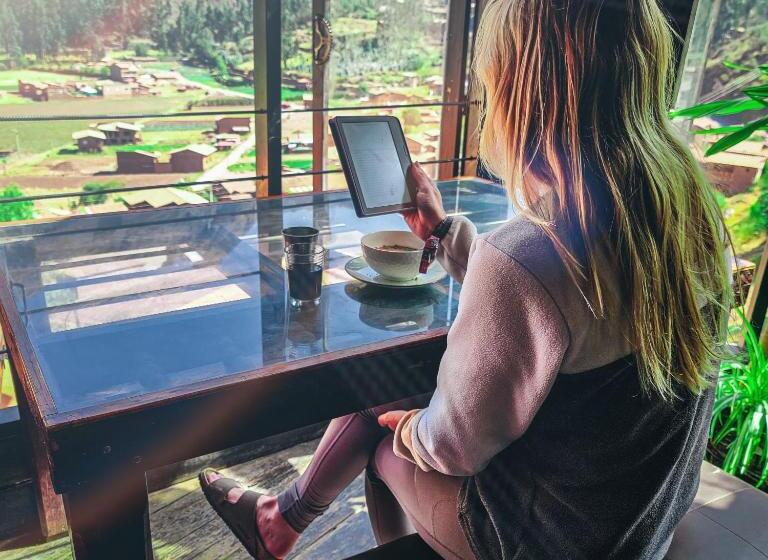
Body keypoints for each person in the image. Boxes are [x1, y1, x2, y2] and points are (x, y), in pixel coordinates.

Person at [199, 0, 730, 558]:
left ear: (520, 88)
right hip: (643, 518)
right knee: (403, 414)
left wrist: (405, 427)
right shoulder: (685, 212)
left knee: (384, 429)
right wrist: (448, 232)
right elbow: (565, 310)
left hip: (552, 542)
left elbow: (453, 449)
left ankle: (279, 522)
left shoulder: (532, 257)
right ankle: (276, 519)